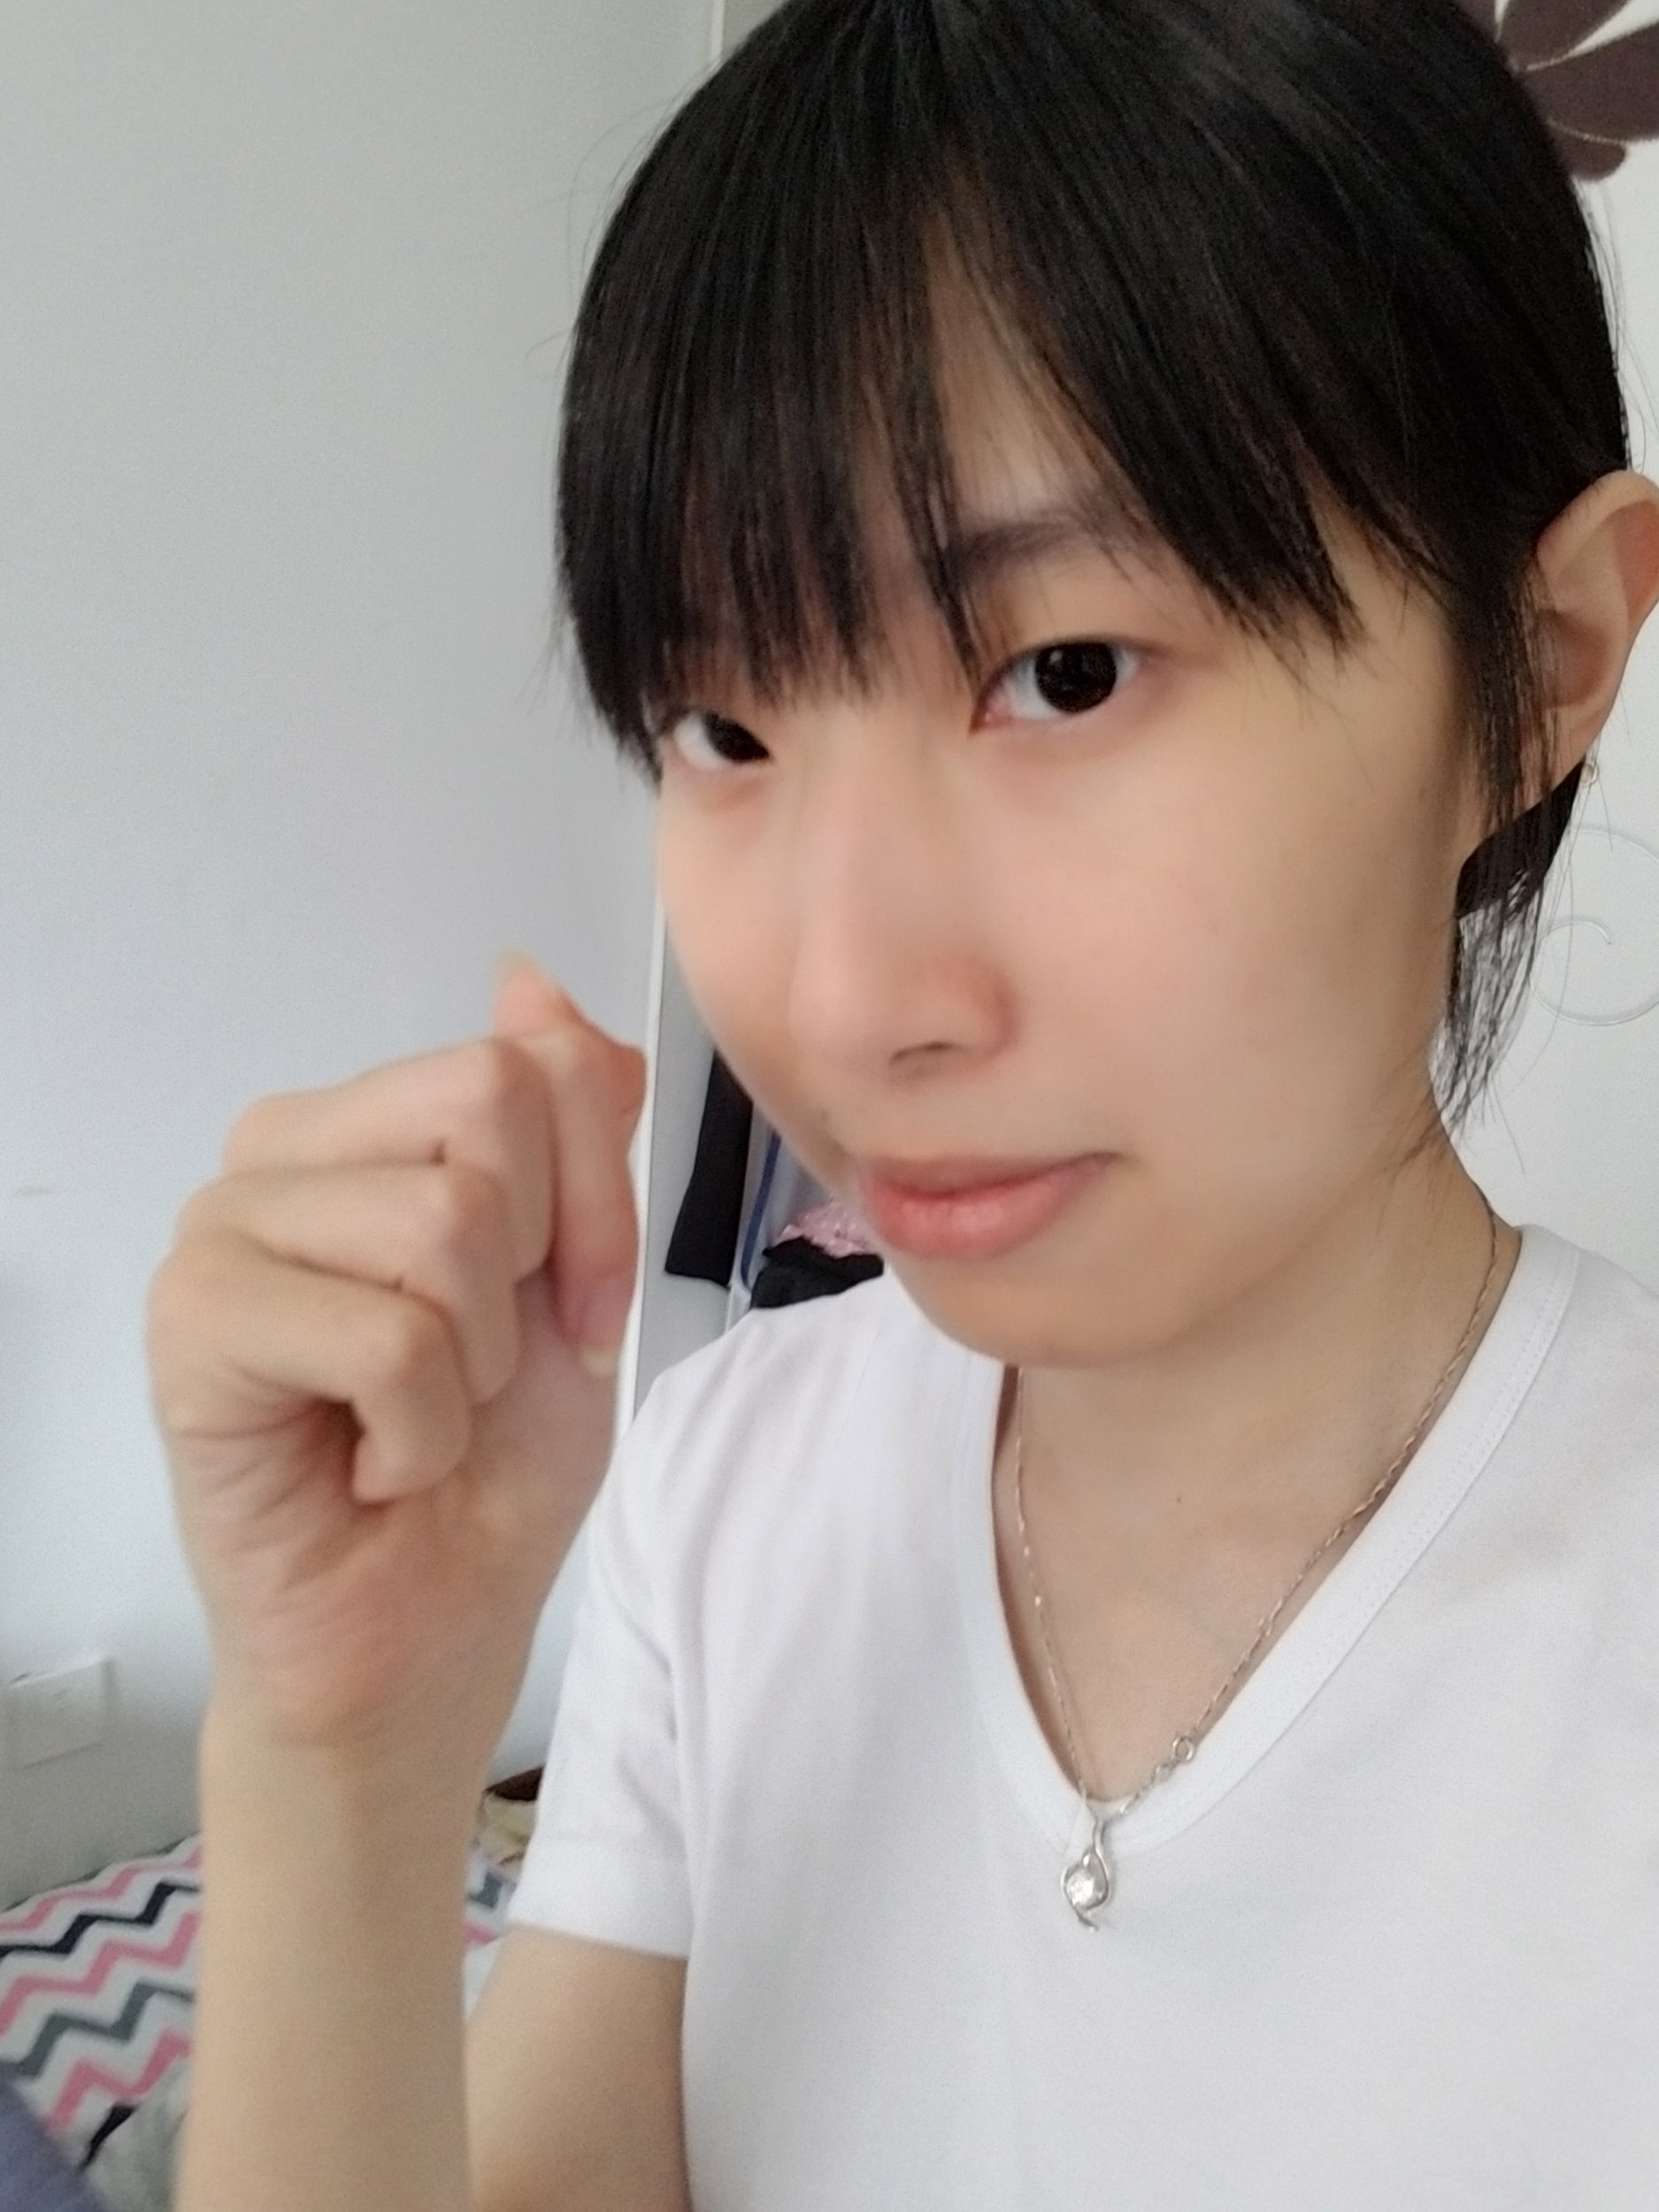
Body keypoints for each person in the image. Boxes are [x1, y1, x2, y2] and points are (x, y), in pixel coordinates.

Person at [144, 0, 1659, 2204]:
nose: (842, 1001)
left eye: (1063, 672)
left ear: (1537, 666)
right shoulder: (725, 1488)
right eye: (721, 725)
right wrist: (332, 1756)